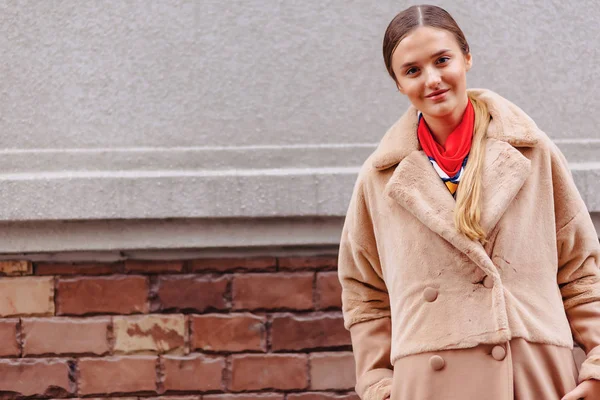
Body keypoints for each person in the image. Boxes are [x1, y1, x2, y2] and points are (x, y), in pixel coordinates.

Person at [337, 4, 600, 400]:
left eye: (442, 60)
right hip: (427, 385)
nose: (432, 79)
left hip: (531, 376)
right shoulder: (381, 177)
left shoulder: (531, 153)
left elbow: (581, 269)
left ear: (467, 58)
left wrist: (597, 370)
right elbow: (364, 293)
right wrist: (378, 384)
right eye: (412, 70)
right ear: (398, 84)